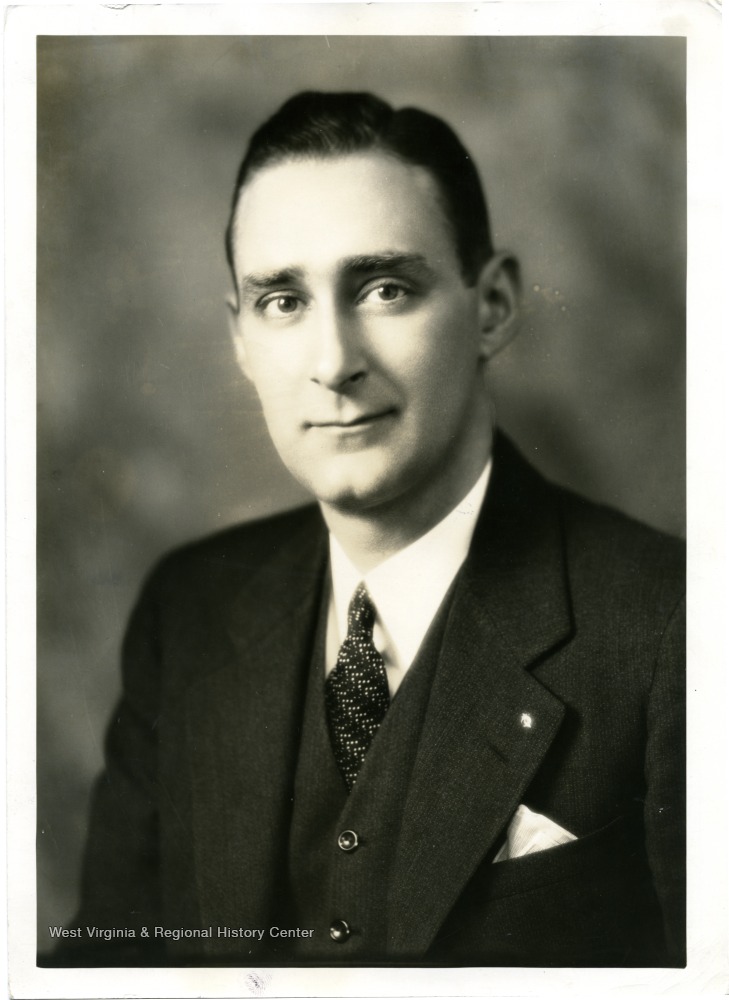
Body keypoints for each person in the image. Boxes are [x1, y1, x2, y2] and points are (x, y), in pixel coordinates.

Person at [60, 91, 685, 967]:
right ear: (240, 338)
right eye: (283, 301)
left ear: (493, 306)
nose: (333, 363)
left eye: (385, 289)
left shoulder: (673, 626)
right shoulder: (189, 608)